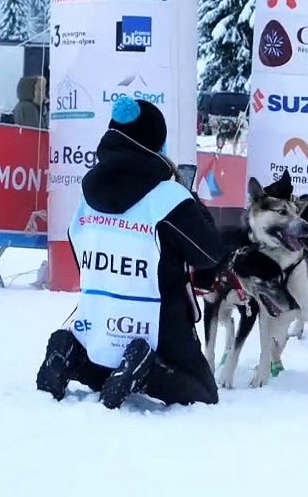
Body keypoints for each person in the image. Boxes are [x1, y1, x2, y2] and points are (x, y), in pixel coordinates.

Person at [35, 97, 225, 409]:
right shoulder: (169, 197)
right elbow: (209, 253)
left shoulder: (89, 191)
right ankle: (147, 370)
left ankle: (73, 354)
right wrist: (190, 199)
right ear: (156, 144)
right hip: (159, 319)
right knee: (203, 393)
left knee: (107, 365)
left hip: (98, 315)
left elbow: (77, 244)